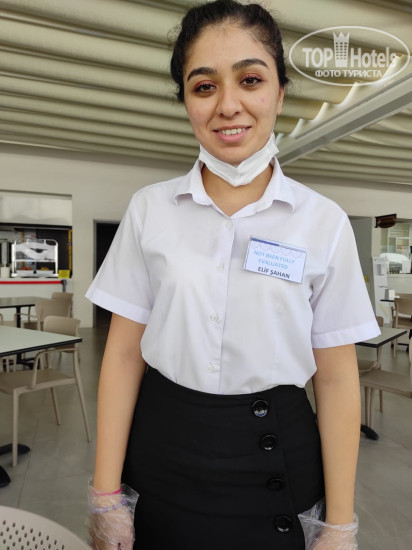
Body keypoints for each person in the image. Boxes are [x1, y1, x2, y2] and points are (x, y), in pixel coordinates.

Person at [86, 1, 380, 549]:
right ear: (186, 101)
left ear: (280, 92)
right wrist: (106, 495)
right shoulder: (150, 209)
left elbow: (337, 379)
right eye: (204, 86)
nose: (228, 105)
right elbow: (123, 356)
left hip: (279, 456)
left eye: (250, 80)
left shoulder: (323, 222)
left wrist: (339, 523)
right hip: (162, 451)